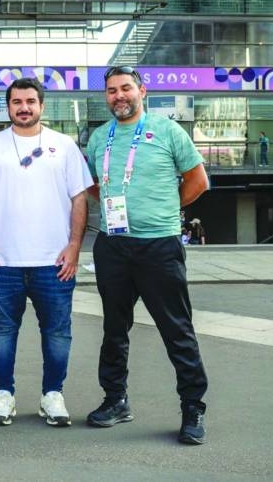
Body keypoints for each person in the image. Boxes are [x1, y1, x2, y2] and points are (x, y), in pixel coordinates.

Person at [84, 65, 210, 445]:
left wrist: (167, 210)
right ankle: (115, 400)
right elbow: (92, 184)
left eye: (126, 88)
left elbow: (198, 181)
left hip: (159, 246)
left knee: (176, 330)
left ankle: (193, 408)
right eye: (112, 90)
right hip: (113, 246)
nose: (119, 96)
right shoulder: (99, 138)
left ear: (142, 91)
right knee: (114, 329)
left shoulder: (168, 130)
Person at [0, 77, 92, 428]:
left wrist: (74, 246)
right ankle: (3, 394)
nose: (24, 108)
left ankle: (53, 395)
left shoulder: (64, 146)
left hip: (54, 262)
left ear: (41, 105)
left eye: (30, 101)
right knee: (2, 331)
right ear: (7, 107)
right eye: (17, 102)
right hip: (1, 261)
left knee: (57, 333)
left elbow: (79, 197)